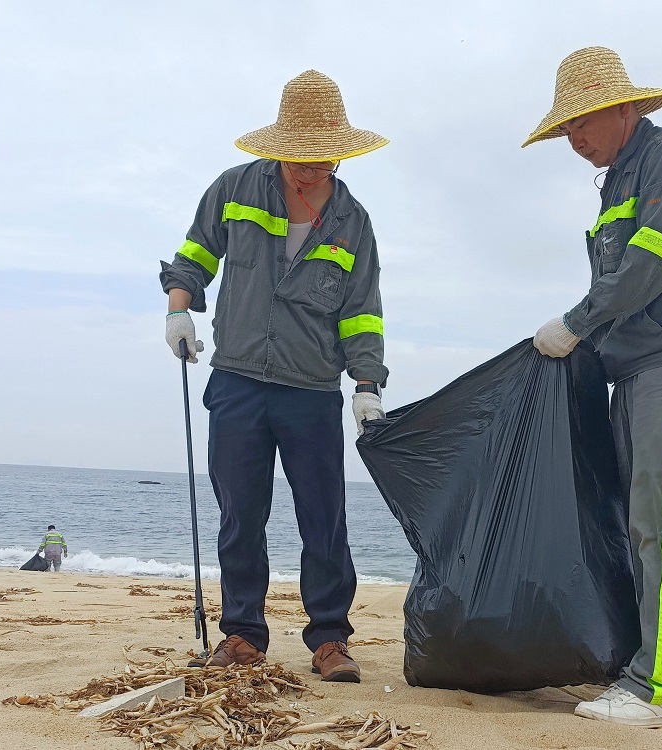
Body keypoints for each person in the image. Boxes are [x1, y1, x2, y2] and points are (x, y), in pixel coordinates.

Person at [160, 70, 389, 682]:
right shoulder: (235, 188)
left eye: (320, 158)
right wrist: (179, 311)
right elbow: (194, 256)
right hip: (237, 381)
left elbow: (362, 312)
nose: (307, 170)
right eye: (297, 157)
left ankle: (330, 639)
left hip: (312, 390)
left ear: (339, 153)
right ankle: (241, 635)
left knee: (324, 517)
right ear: (279, 146)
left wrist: (367, 387)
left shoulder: (353, 221)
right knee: (240, 514)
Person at [524, 47, 662, 727]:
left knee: (660, 525)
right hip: (634, 372)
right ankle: (646, 666)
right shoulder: (617, 182)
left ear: (624, 108)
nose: (574, 139)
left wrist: (576, 323)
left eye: (581, 122)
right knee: (636, 525)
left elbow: (654, 261)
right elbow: (620, 284)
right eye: (566, 129)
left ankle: (659, 690)